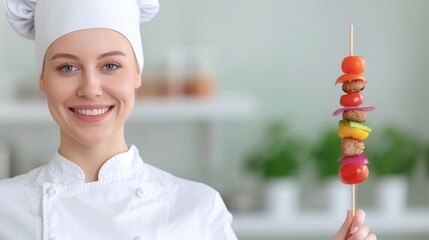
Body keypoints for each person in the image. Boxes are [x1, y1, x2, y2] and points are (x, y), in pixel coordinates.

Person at [0, 0, 375, 239]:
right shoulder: (5, 209)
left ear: (137, 74)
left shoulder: (196, 209)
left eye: (111, 65)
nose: (91, 88)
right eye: (67, 67)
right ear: (43, 80)